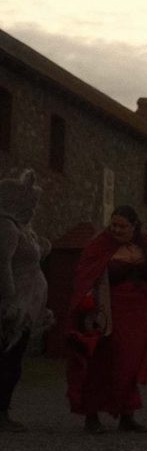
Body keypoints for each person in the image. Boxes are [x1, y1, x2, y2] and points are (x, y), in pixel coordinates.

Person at [66, 206, 147, 433]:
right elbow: (86, 275)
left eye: (122, 226)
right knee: (103, 360)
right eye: (114, 225)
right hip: (110, 312)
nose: (117, 230)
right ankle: (91, 415)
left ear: (134, 226)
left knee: (131, 363)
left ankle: (126, 414)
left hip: (141, 312)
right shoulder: (100, 246)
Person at [0, 169, 51, 432]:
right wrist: (8, 302)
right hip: (15, 306)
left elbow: (29, 257)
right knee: (7, 360)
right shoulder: (7, 227)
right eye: (30, 203)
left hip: (27, 304)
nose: (33, 208)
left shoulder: (21, 228)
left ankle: (3, 409)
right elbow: (3, 266)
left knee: (14, 360)